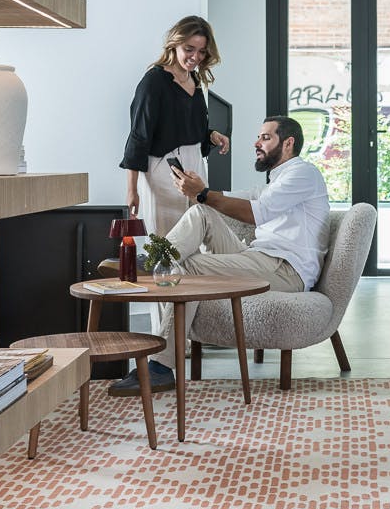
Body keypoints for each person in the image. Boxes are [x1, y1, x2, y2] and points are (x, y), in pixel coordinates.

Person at [109, 116, 330, 396]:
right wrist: (201, 191)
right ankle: (154, 261)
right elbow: (241, 197)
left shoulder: (303, 173)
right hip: (258, 258)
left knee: (188, 267)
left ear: (288, 143)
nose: (256, 143)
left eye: (265, 138)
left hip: (285, 270)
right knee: (202, 213)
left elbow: (257, 212)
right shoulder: (278, 179)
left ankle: (160, 368)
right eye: (259, 136)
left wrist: (202, 193)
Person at [114, 16, 231, 395]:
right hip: (163, 172)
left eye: (201, 51)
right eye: (188, 49)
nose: (194, 57)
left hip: (195, 168)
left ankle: (183, 337)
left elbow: (191, 129)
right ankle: (162, 348)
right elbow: (138, 135)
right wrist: (132, 189)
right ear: (174, 45)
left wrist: (212, 135)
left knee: (192, 254)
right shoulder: (154, 81)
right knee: (166, 258)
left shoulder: (196, 82)